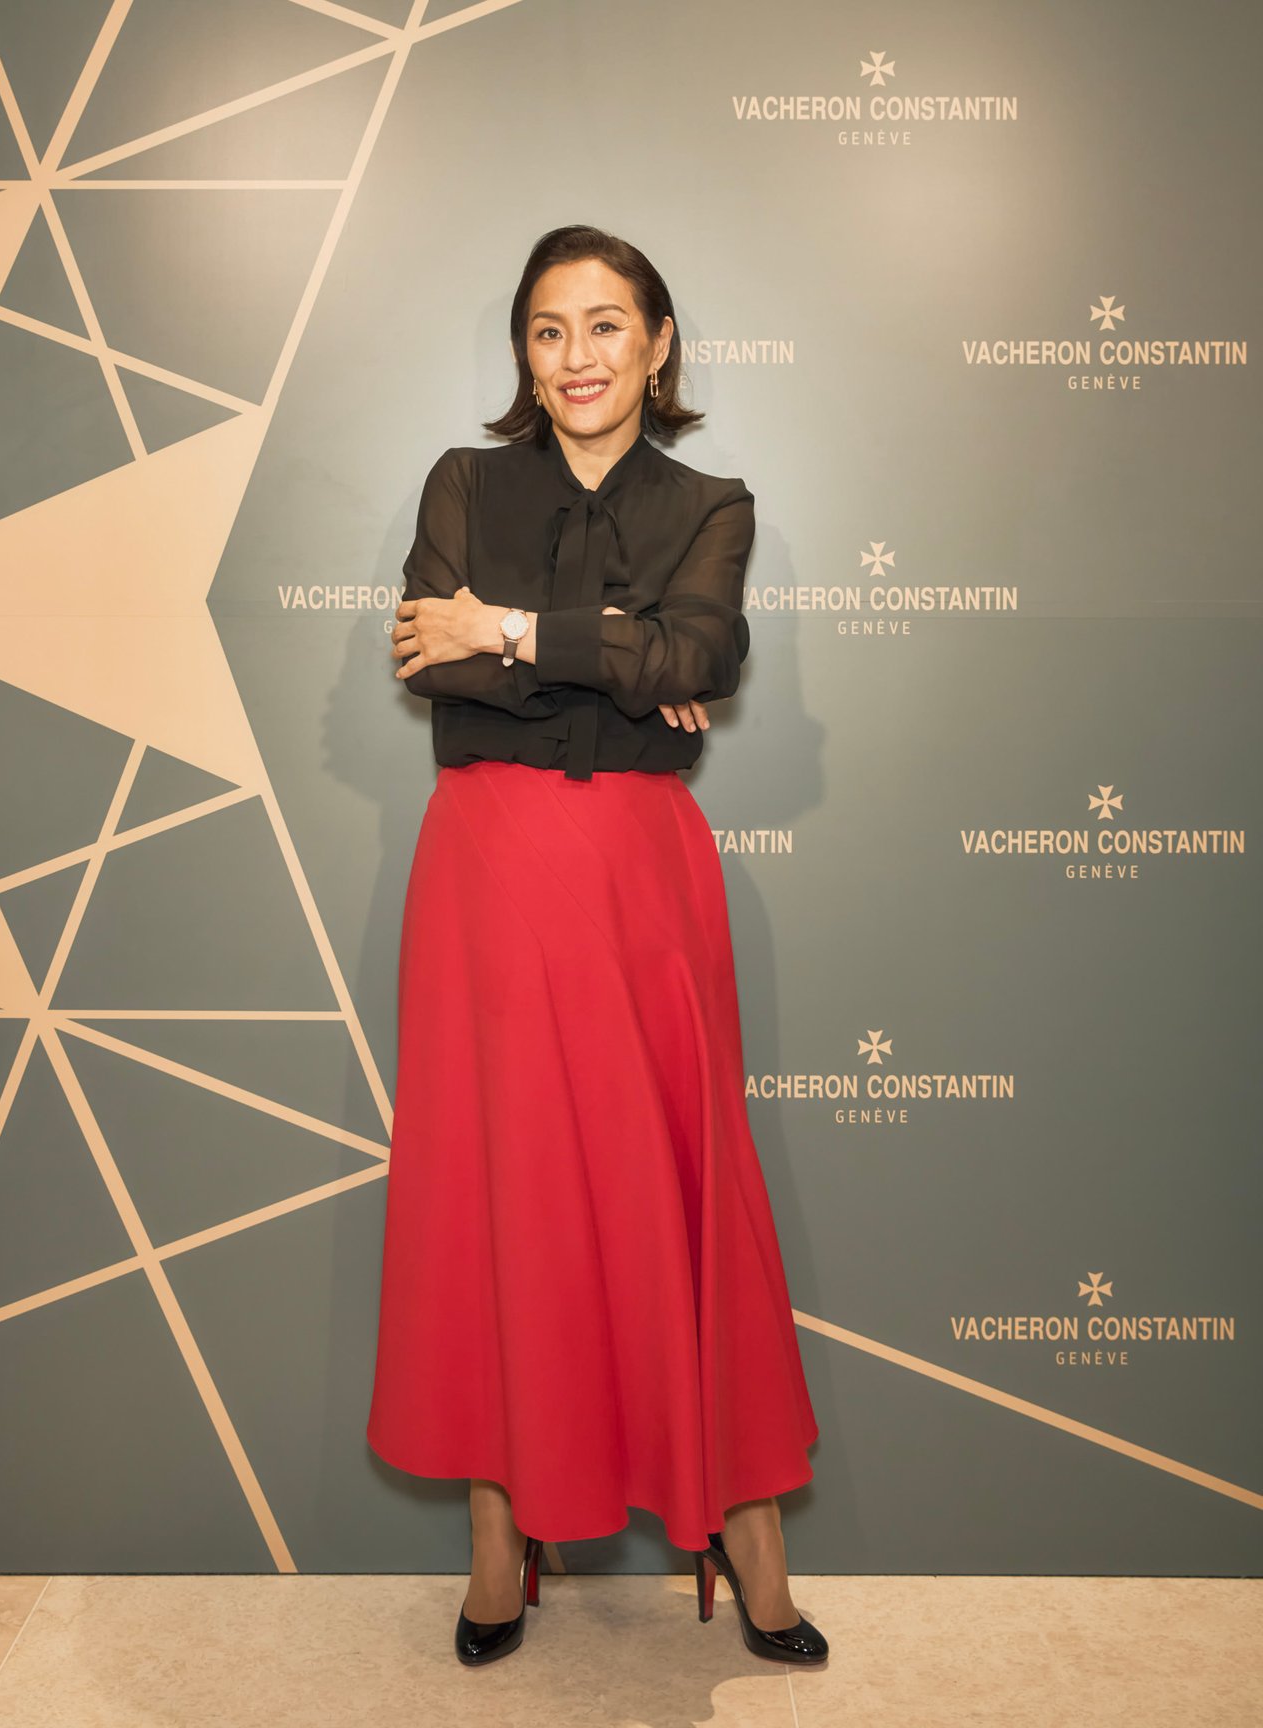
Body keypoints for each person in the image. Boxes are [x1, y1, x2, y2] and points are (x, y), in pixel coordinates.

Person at [366, 224, 826, 1667]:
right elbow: (429, 666)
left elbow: (704, 659)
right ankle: (500, 1536)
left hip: (639, 879)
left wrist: (508, 630)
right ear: (525, 350)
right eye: (550, 330)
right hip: (487, 870)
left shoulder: (710, 503)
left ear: (659, 342)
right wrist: (615, 656)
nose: (578, 357)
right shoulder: (464, 481)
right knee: (502, 1193)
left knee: (675, 1189)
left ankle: (742, 1532)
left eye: (608, 325)